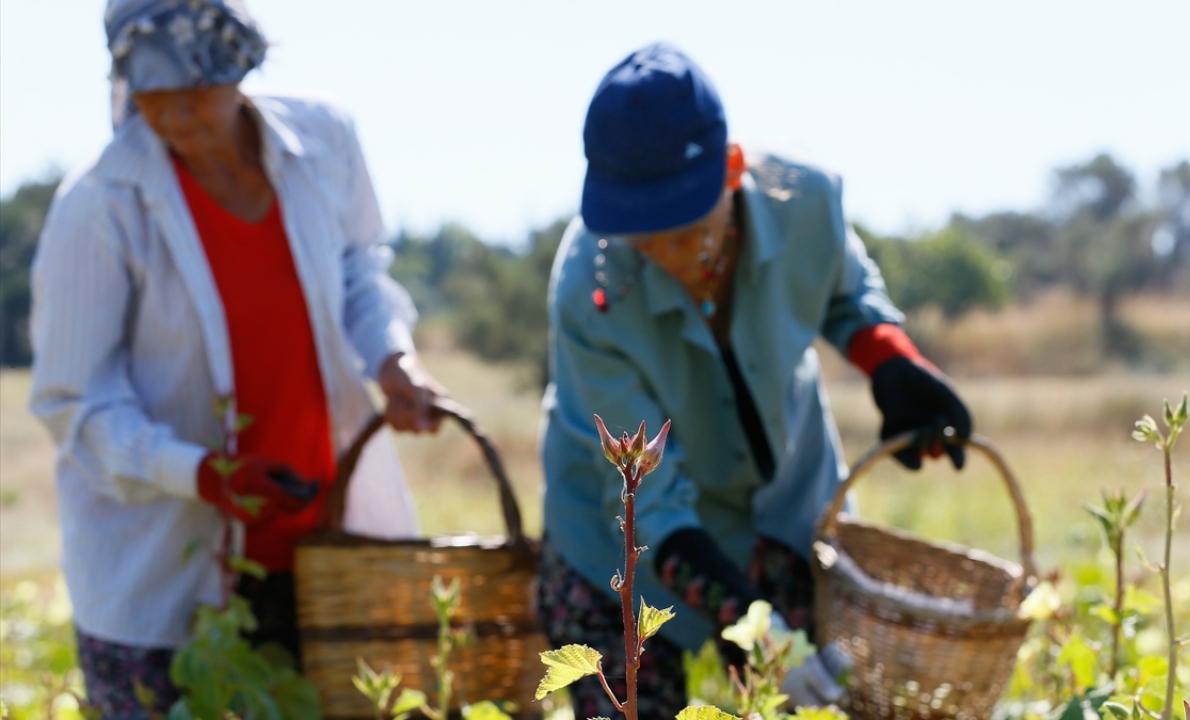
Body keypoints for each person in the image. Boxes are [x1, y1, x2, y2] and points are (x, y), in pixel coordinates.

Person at [27, 0, 448, 716]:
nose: (175, 114)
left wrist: (390, 358)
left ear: (239, 68)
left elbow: (357, 271)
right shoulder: (99, 204)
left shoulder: (324, 142)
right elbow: (76, 402)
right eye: (153, 94)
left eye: (195, 90)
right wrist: (201, 474)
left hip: (321, 549)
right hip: (165, 579)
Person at [537, 42, 973, 717]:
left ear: (733, 171)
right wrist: (758, 630)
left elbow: (846, 295)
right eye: (640, 237)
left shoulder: (806, 200)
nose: (664, 257)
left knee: (827, 699)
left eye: (682, 233)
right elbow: (649, 504)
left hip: (781, 513)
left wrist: (891, 363)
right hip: (622, 548)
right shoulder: (589, 288)